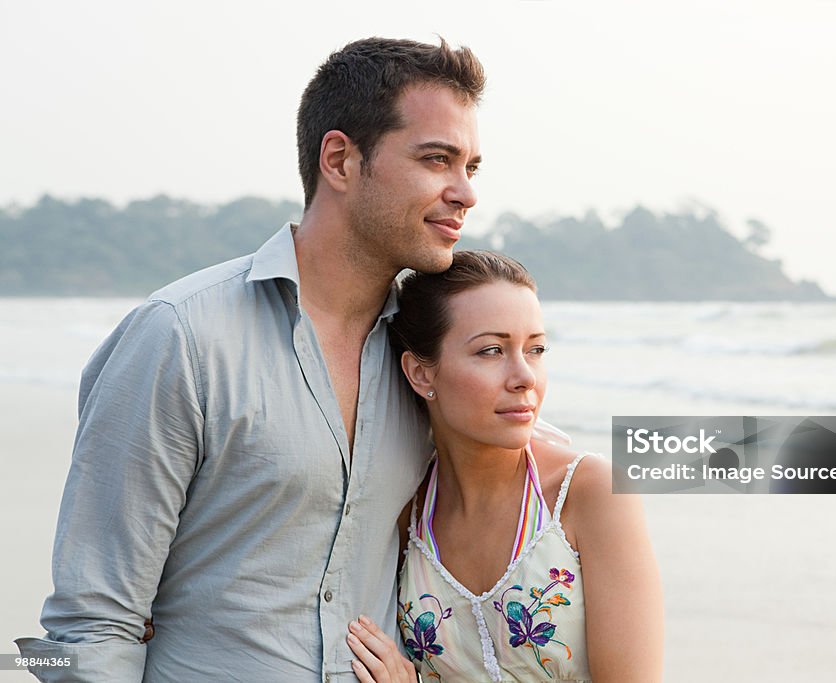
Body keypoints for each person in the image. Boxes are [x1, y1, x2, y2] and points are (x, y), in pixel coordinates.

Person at [16, 37, 485, 682]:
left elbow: (523, 477)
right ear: (341, 160)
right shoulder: (180, 337)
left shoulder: (426, 362)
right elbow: (91, 626)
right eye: (438, 159)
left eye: (472, 168)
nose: (465, 193)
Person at [344, 251, 664, 682]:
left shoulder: (586, 491)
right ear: (421, 374)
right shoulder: (408, 510)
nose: (525, 376)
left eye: (535, 350)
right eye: (492, 350)